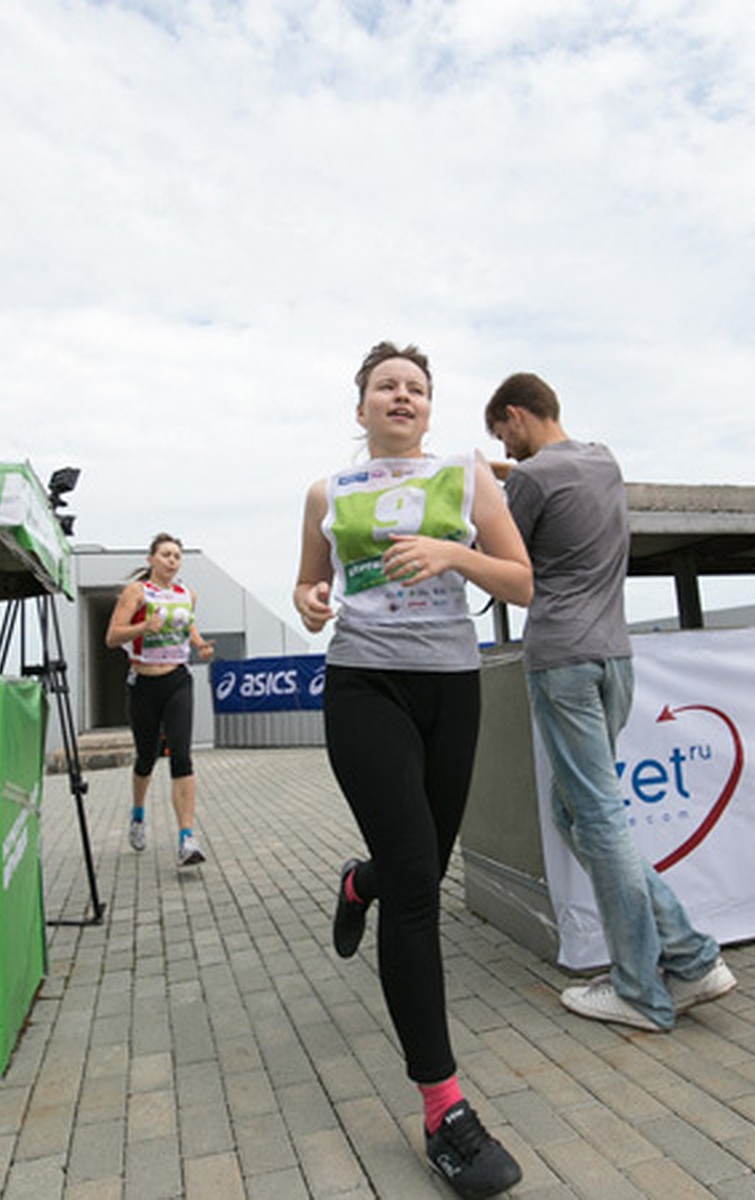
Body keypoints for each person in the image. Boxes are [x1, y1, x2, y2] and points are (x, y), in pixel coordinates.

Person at [295, 341, 532, 1199]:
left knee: (414, 869)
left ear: (431, 410)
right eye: (386, 387)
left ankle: (362, 883)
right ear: (360, 408)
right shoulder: (329, 491)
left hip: (451, 685)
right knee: (421, 889)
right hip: (363, 684)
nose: (403, 396)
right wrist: (311, 601)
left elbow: (523, 583)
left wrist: (453, 556)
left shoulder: (469, 477)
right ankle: (444, 1112)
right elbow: (308, 592)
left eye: (418, 389)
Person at [485, 372, 736, 1033]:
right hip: (614, 659)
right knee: (579, 815)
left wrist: (491, 489)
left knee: (597, 820)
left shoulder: (532, 482)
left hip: (562, 659)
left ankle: (643, 989)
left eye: (502, 432)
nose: (505, 444)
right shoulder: (603, 460)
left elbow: (505, 562)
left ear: (515, 415)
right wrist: (500, 467)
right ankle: (686, 957)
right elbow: (542, 471)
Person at [105, 533, 215, 864]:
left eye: (177, 556)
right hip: (144, 684)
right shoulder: (136, 592)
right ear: (151, 559)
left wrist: (199, 644)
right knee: (146, 758)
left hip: (178, 680)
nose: (172, 560)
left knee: (182, 756)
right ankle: (138, 815)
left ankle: (187, 839)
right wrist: (144, 628)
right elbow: (112, 637)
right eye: (166, 554)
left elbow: (186, 626)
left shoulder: (186, 594)